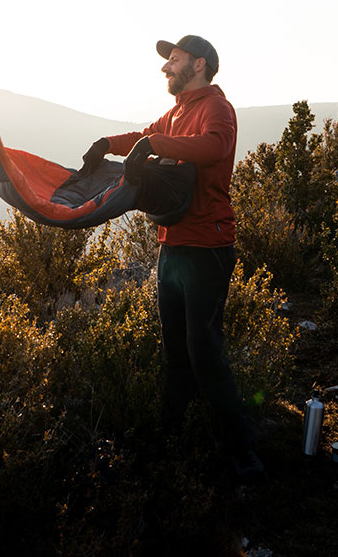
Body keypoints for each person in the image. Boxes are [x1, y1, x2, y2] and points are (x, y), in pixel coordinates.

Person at [81, 35, 264, 481]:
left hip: (208, 247)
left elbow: (214, 147)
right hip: (173, 246)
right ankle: (173, 438)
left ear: (198, 64)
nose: (166, 68)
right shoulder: (177, 111)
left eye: (175, 60)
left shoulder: (215, 107)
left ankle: (244, 455)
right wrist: (108, 142)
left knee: (204, 352)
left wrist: (158, 145)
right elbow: (147, 137)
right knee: (174, 351)